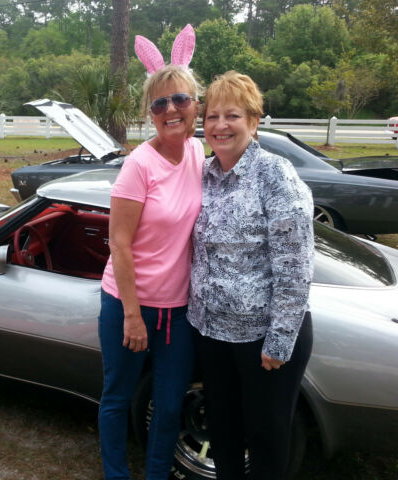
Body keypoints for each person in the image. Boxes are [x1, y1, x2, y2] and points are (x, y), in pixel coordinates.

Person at [188, 71, 314, 480]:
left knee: (266, 436)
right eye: (211, 117)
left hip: (263, 337)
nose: (220, 126)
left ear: (255, 121)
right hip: (211, 332)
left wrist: (279, 340)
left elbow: (295, 266)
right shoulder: (203, 174)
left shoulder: (276, 175)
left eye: (232, 116)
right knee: (222, 429)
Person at [98, 25, 205, 480]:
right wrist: (132, 314)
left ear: (196, 104)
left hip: (177, 311)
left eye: (180, 99)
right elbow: (118, 244)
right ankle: (116, 474)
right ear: (150, 114)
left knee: (167, 402)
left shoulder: (202, 153)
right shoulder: (139, 164)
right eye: (160, 103)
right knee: (118, 395)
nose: (171, 109)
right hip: (128, 304)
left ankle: (158, 474)